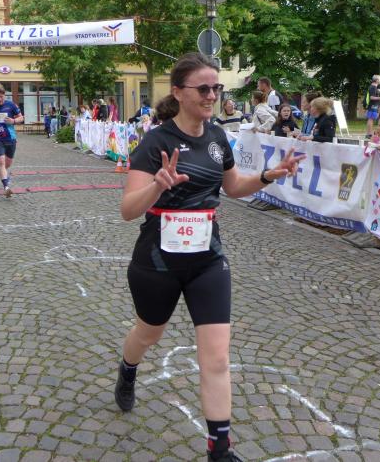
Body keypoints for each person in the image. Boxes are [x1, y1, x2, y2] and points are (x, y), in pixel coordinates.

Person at [115, 52, 304, 462]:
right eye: (203, 88)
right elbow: (128, 210)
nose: (212, 95)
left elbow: (233, 187)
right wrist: (157, 186)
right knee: (149, 334)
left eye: (216, 88)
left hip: (208, 260)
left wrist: (268, 176)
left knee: (217, 357)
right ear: (179, 93)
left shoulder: (217, 137)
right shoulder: (156, 142)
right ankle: (128, 369)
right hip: (157, 261)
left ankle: (220, 449)